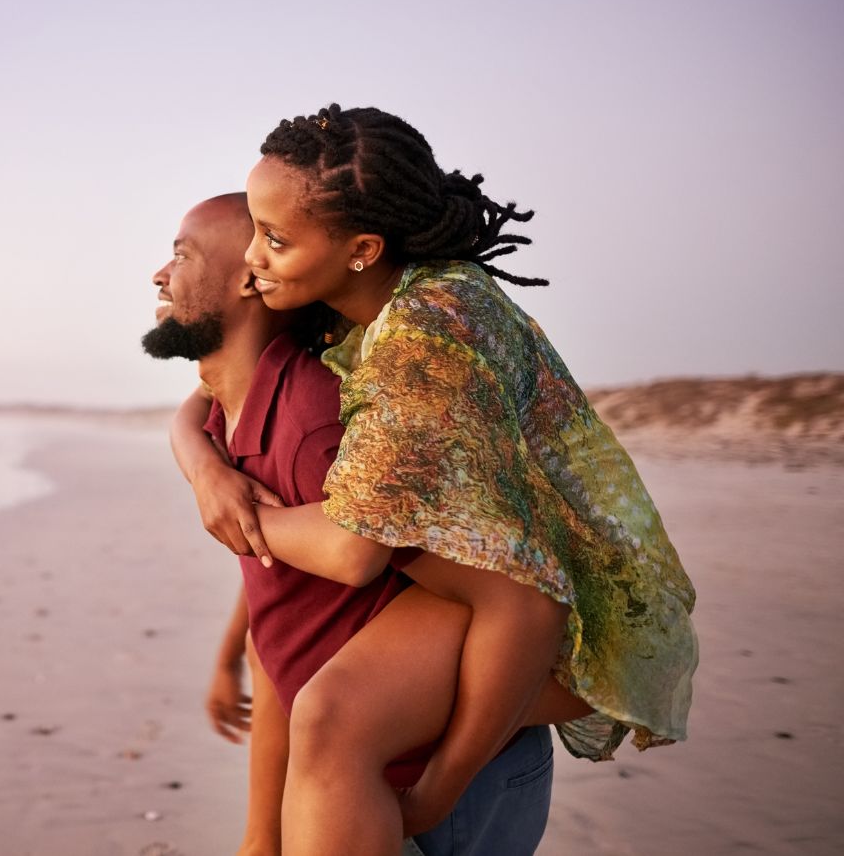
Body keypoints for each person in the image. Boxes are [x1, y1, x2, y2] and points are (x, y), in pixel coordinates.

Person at [170, 105, 699, 856]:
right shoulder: (360, 297)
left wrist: (443, 784)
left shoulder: (426, 340)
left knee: (333, 714)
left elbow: (408, 566)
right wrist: (199, 461)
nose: (252, 258)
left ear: (361, 248)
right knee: (328, 711)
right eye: (255, 230)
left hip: (571, 610)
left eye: (275, 239)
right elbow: (202, 401)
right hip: (497, 595)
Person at [147, 194, 568, 856]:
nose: (159, 275)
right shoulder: (228, 409)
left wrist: (440, 786)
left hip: (434, 785)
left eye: (181, 254)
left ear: (250, 279)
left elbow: (509, 593)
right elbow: (287, 605)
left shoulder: (314, 426)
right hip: (356, 772)